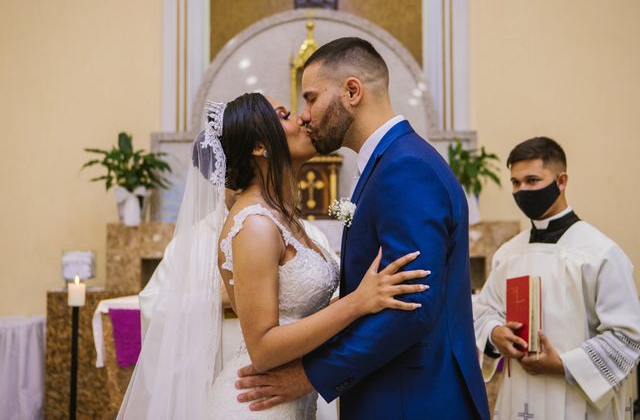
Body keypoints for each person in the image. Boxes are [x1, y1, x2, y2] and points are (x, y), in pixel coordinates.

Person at [118, 92, 428, 419]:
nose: (301, 119)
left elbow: (302, 313)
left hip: (290, 401)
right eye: (284, 115)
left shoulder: (283, 219)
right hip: (254, 406)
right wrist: (357, 302)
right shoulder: (253, 224)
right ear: (259, 147)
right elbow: (263, 351)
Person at [236, 38, 490, 419]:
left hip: (414, 400)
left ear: (352, 91)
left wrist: (309, 376)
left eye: (311, 98)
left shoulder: (405, 168)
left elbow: (412, 305)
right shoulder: (390, 161)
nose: (305, 115)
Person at [473, 137, 640, 419]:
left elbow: (627, 337)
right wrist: (495, 333)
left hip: (578, 401)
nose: (522, 190)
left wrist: (564, 364)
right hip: (519, 398)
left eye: (532, 180)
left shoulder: (600, 253)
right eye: (516, 183)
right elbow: (483, 311)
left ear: (561, 181)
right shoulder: (508, 254)